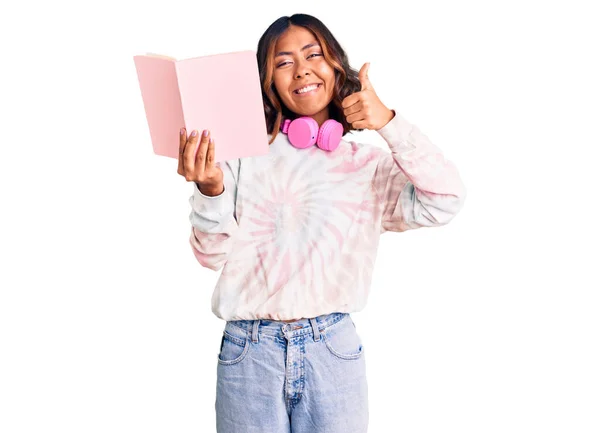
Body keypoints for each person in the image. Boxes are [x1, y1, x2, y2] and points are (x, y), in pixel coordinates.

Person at [177, 13, 466, 433]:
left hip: (332, 350)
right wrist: (210, 189)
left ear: (336, 66)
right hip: (248, 353)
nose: (302, 69)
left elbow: (447, 198)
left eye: (313, 54)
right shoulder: (239, 158)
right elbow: (211, 253)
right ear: (268, 82)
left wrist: (388, 121)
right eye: (283, 62)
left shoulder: (368, 167)